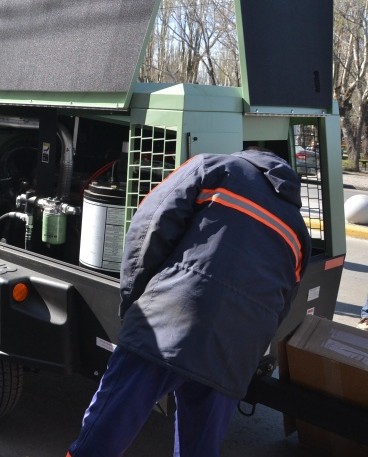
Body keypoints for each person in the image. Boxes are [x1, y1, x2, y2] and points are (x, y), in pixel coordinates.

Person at [66, 147, 312, 457]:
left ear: (251, 156)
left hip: (166, 322)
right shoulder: (298, 231)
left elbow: (149, 227)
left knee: (102, 436)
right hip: (232, 354)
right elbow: (282, 306)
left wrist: (135, 304)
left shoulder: (215, 167)